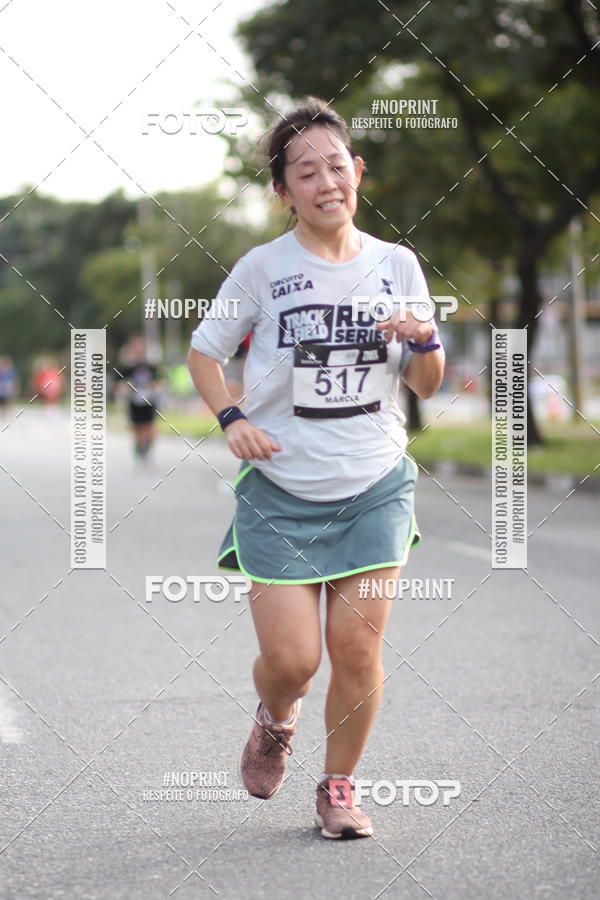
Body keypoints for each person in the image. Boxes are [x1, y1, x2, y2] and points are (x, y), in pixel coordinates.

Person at [187, 97, 445, 840]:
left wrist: (423, 337)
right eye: (306, 172)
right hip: (281, 493)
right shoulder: (264, 268)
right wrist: (232, 418)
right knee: (294, 661)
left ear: (357, 171)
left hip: (374, 487)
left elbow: (426, 384)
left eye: (337, 165)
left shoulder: (397, 264)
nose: (326, 181)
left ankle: (338, 790)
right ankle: (276, 716)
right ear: (285, 190)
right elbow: (205, 353)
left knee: (357, 650)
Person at [116, 335, 162, 460]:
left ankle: (146, 445)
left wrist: (153, 387)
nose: (138, 350)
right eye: (135, 348)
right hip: (134, 401)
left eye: (140, 348)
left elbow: (159, 381)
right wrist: (125, 387)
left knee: (149, 425)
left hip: (149, 401)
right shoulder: (128, 368)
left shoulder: (151, 366)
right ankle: (138, 443)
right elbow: (120, 383)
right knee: (137, 426)